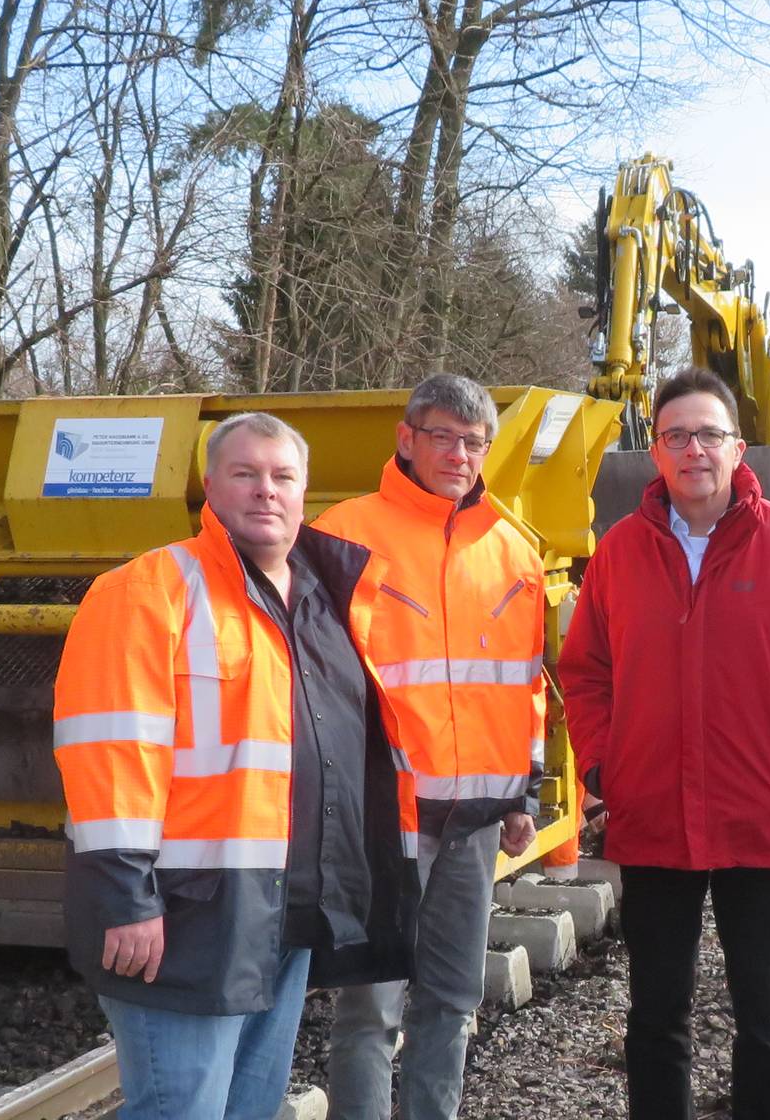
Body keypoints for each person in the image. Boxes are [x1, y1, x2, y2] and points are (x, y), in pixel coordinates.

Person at [52, 412, 420, 1120]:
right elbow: (110, 756)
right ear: (210, 487)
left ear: (304, 490)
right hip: (184, 915)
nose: (265, 491)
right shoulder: (147, 592)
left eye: (282, 476)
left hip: (280, 915)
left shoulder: (323, 602)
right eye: (245, 474)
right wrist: (127, 900)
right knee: (181, 1111)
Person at [562, 368, 770, 1120]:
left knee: (766, 1015)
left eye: (708, 434)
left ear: (738, 448)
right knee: (656, 1013)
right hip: (653, 817)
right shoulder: (620, 553)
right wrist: (605, 768)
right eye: (676, 436)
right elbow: (585, 673)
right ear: (656, 453)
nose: (692, 448)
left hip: (761, 819)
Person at [315, 374, 547, 1120]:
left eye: (474, 442)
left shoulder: (515, 549)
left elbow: (525, 685)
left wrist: (521, 794)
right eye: (443, 436)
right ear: (406, 438)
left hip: (475, 821)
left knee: (452, 998)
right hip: (387, 818)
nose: (459, 454)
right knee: (370, 1010)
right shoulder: (343, 536)